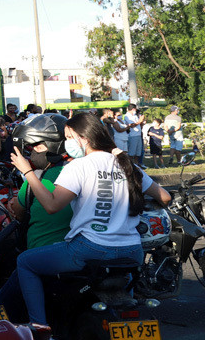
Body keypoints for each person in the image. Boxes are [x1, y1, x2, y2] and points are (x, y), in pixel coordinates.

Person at [9, 113, 172, 338]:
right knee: (125, 284)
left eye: (68, 137)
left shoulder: (78, 167)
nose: (66, 143)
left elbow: (52, 206)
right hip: (132, 251)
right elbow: (164, 197)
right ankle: (129, 321)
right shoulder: (128, 165)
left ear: (83, 138)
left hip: (90, 249)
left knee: (25, 262)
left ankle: (40, 328)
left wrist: (27, 171)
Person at [0, 113, 73, 322]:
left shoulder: (35, 179)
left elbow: (18, 213)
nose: (30, 154)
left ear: (46, 147)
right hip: (87, 256)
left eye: (32, 148)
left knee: (0, 306)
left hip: (46, 257)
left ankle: (38, 326)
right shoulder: (80, 171)